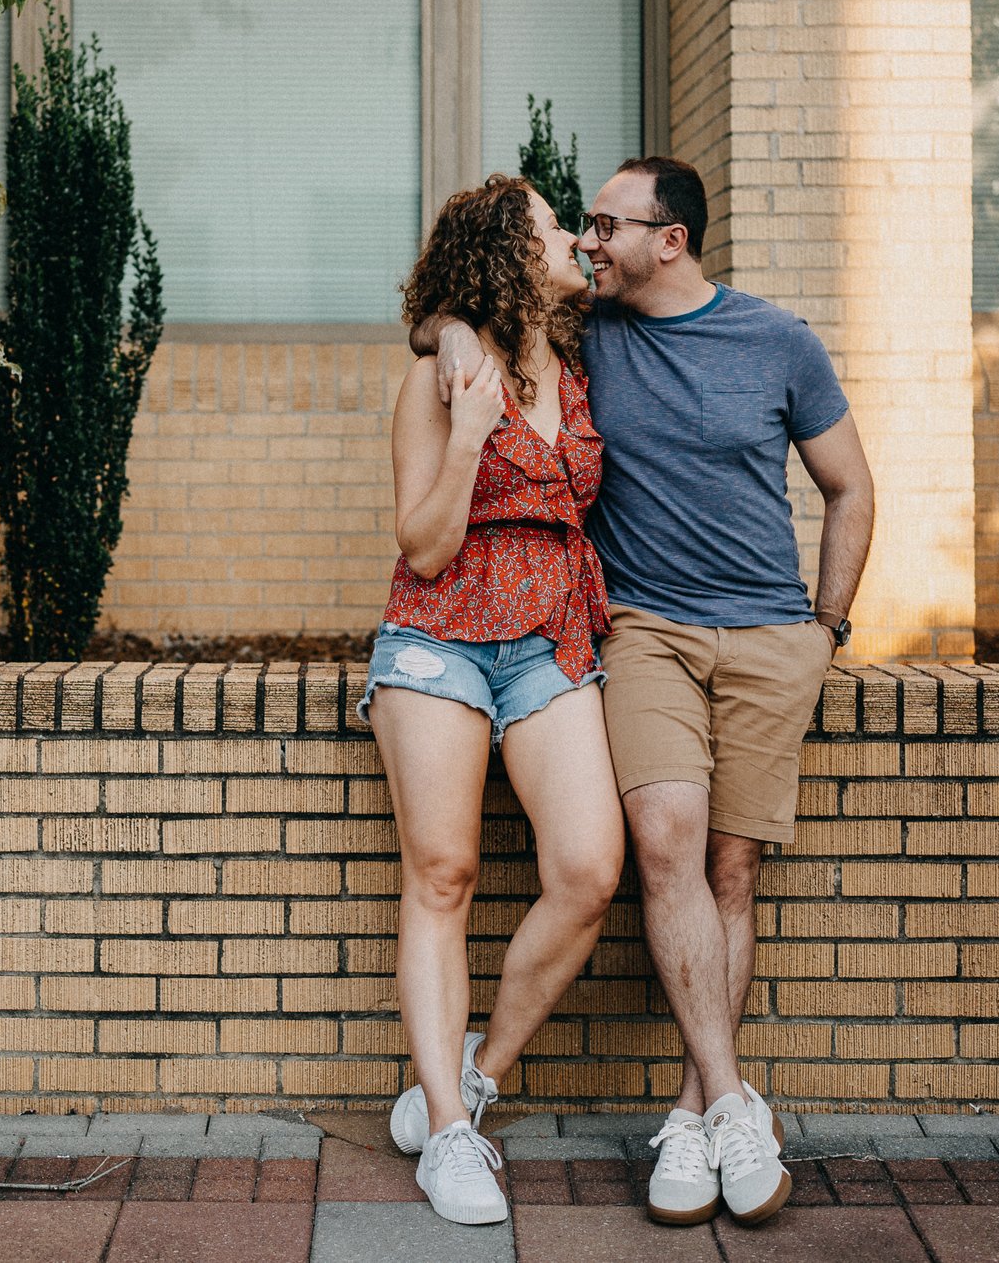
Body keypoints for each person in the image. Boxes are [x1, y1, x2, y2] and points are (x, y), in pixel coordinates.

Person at [421, 155, 874, 1229]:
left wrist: (826, 629)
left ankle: (690, 1109)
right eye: (576, 225)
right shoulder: (590, 333)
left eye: (607, 224)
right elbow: (463, 311)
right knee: (665, 842)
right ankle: (732, 1102)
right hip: (650, 631)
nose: (587, 240)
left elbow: (849, 484)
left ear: (669, 238)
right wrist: (440, 329)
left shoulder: (778, 340)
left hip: (771, 634)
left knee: (732, 866)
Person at [365, 175, 627, 1228]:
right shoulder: (441, 376)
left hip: (551, 633)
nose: (571, 234)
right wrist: (470, 428)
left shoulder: (574, 358)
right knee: (444, 871)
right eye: (552, 224)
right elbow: (423, 546)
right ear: (506, 251)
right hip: (439, 636)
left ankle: (472, 1076)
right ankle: (449, 1135)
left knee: (588, 868)